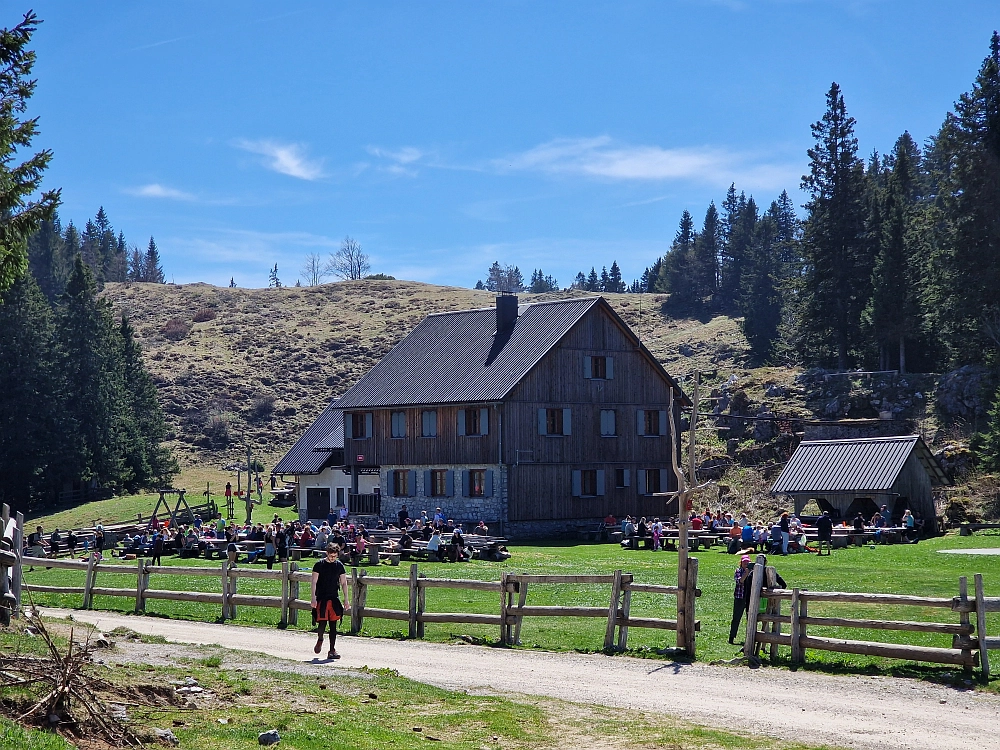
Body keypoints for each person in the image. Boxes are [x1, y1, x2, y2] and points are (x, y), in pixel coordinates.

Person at [311, 542, 350, 660]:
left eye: (335, 556)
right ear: (327, 553)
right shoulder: (319, 565)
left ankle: (332, 650)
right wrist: (313, 597)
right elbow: (314, 582)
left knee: (333, 626)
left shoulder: (339, 565)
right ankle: (320, 639)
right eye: (331, 556)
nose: (333, 558)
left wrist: (346, 599)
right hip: (322, 597)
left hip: (333, 598)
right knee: (322, 623)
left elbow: (343, 582)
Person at [729, 555, 753, 644]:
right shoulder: (738, 571)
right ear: (741, 563)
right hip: (740, 597)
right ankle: (731, 637)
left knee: (750, 619)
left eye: (747, 562)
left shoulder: (753, 572)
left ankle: (750, 638)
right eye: (744, 562)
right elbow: (740, 581)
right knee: (736, 618)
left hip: (749, 598)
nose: (746, 564)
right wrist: (746, 574)